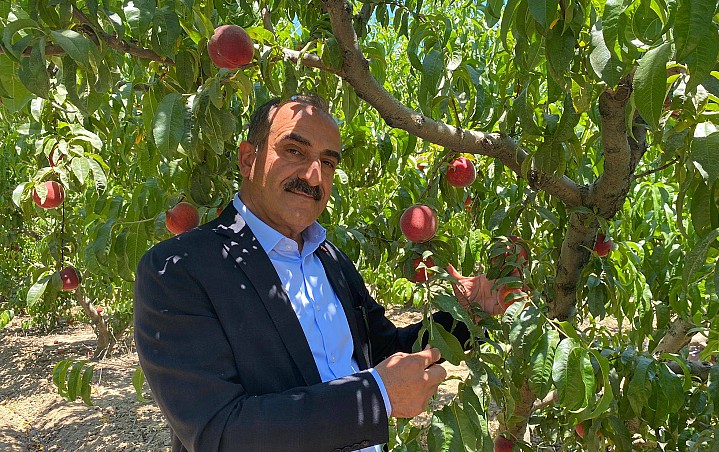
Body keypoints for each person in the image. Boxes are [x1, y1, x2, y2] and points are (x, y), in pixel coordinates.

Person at [134, 94, 508, 452]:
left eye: (327, 162)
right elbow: (219, 434)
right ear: (248, 160)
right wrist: (374, 398)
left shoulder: (329, 258)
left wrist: (469, 314)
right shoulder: (179, 269)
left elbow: (382, 350)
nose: (314, 177)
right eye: (294, 151)